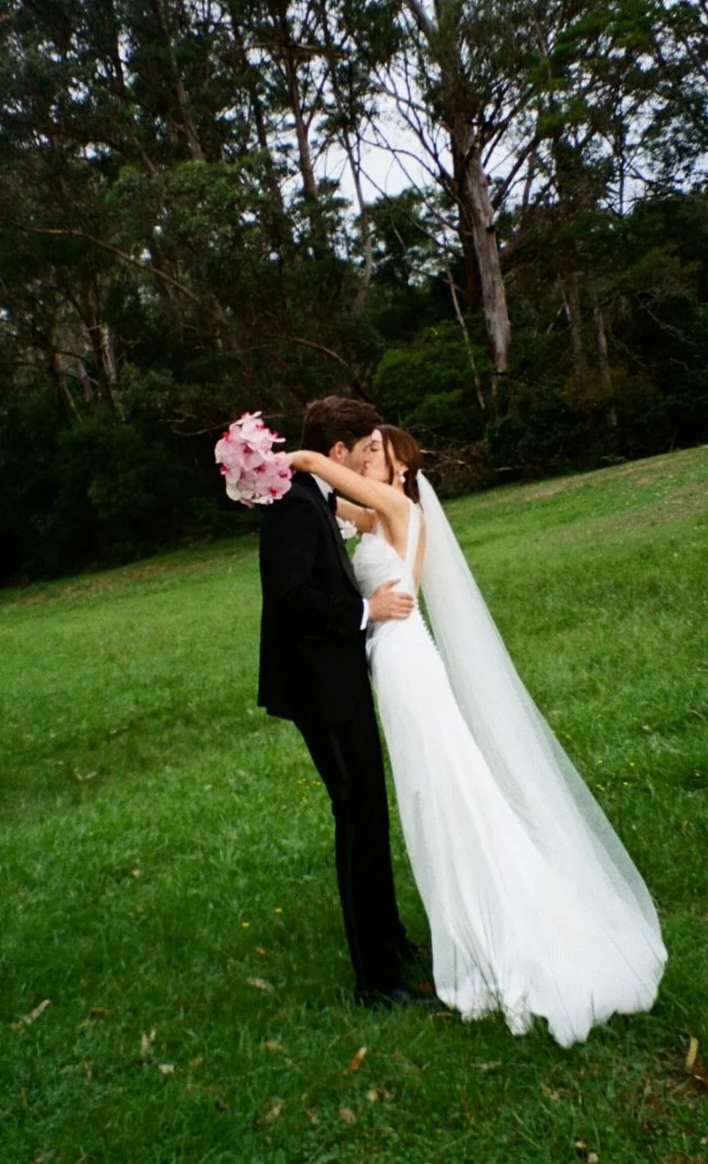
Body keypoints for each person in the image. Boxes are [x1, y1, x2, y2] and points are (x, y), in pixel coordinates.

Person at [289, 424, 667, 1047]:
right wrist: (269, 491)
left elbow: (324, 474)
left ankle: (486, 923)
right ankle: (456, 918)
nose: (370, 459)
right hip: (394, 656)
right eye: (367, 452)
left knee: (438, 790)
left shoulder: (399, 506)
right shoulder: (375, 513)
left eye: (381, 453)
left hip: (405, 659)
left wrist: (286, 459)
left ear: (404, 469)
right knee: (433, 788)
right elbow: (332, 504)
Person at [257, 397, 433, 1006]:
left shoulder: (312, 498)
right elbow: (291, 600)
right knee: (358, 820)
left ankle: (388, 936)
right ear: (337, 454)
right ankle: (376, 982)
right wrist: (367, 610)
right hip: (320, 688)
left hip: (340, 679)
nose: (369, 464)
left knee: (368, 812)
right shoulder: (291, 506)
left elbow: (358, 512)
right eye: (363, 454)